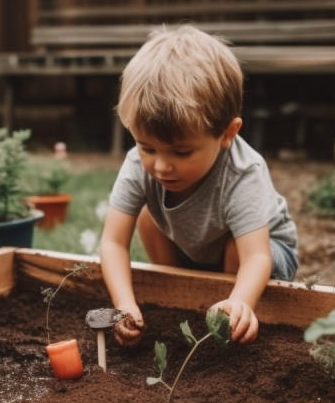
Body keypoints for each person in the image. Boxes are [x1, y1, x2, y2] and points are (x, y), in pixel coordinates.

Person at [100, 25, 298, 348]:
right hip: (199, 249)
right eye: (147, 147)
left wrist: (242, 302)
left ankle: (227, 313)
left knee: (236, 243)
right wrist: (124, 304)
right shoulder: (139, 163)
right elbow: (113, 243)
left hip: (266, 254)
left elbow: (256, 258)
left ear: (227, 134)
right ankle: (181, 298)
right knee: (148, 217)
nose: (160, 165)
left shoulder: (242, 172)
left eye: (181, 152)